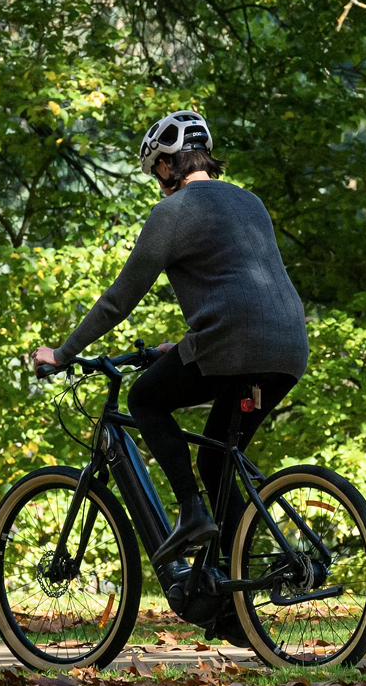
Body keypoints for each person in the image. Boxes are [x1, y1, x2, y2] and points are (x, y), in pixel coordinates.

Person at [32, 110, 309, 632]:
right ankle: (232, 602)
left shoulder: (176, 211)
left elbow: (119, 300)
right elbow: (241, 288)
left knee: (145, 400)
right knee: (218, 463)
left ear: (166, 165)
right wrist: (182, 346)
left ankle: (190, 513)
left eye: (155, 170)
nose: (156, 182)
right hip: (288, 347)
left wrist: (64, 353)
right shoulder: (250, 203)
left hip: (230, 344)